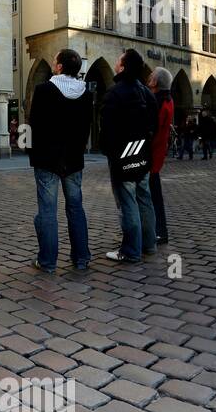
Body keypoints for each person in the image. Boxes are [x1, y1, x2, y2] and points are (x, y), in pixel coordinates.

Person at [26, 48, 96, 273]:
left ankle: (47, 262)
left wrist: (33, 155)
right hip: (74, 160)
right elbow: (86, 127)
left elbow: (34, 124)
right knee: (76, 208)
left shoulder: (44, 90)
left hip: (47, 160)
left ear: (58, 67)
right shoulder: (86, 94)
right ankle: (82, 258)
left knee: (47, 211)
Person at [100, 52, 159, 263]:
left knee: (128, 203)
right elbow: (154, 125)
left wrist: (109, 151)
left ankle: (131, 250)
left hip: (123, 156)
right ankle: (149, 244)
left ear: (123, 68)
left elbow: (107, 130)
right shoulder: (147, 93)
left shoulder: (114, 93)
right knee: (144, 199)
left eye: (119, 60)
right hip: (143, 154)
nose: (115, 62)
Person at [145, 67, 174, 248]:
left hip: (151, 156)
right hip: (156, 156)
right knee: (155, 196)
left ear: (155, 83)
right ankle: (158, 232)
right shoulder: (167, 100)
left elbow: (151, 131)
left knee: (152, 198)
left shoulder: (157, 102)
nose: (148, 78)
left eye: (151, 76)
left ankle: (157, 233)